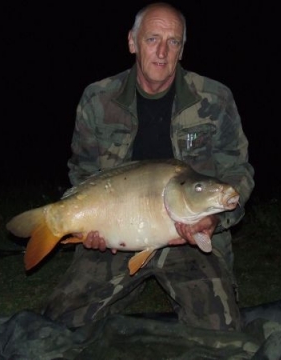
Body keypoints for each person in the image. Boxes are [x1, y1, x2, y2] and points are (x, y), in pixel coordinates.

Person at [42, 2, 255, 331]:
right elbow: (83, 171)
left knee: (221, 331)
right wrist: (89, 229)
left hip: (190, 237)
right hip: (117, 233)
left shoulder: (214, 99)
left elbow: (238, 173)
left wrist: (215, 218)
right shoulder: (98, 99)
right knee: (60, 323)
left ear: (182, 49)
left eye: (173, 42)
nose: (162, 52)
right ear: (132, 41)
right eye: (152, 39)